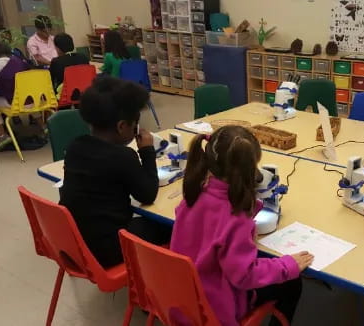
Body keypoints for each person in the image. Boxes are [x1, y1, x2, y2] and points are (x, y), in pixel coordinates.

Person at [170, 126, 314, 326]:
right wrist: (286, 266)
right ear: (251, 171)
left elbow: (212, 229)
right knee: (292, 283)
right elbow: (244, 276)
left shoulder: (193, 194)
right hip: (215, 308)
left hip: (182, 298)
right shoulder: (236, 218)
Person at [59, 77, 171, 268]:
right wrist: (147, 151)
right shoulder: (123, 156)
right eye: (134, 124)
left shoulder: (75, 146)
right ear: (121, 126)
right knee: (168, 226)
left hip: (72, 242)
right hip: (106, 251)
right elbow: (147, 194)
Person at [0, 41, 28, 150]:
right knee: (26, 94)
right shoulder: (20, 61)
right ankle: (43, 126)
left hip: (14, 103)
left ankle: (2, 135)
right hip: (33, 102)